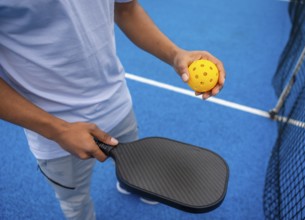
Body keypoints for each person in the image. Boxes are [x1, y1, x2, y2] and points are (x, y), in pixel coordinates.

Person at [0, 0, 226, 219]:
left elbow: (126, 10)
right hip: (54, 134)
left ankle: (135, 186)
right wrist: (57, 130)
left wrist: (176, 54)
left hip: (117, 103)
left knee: (140, 168)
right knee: (75, 200)